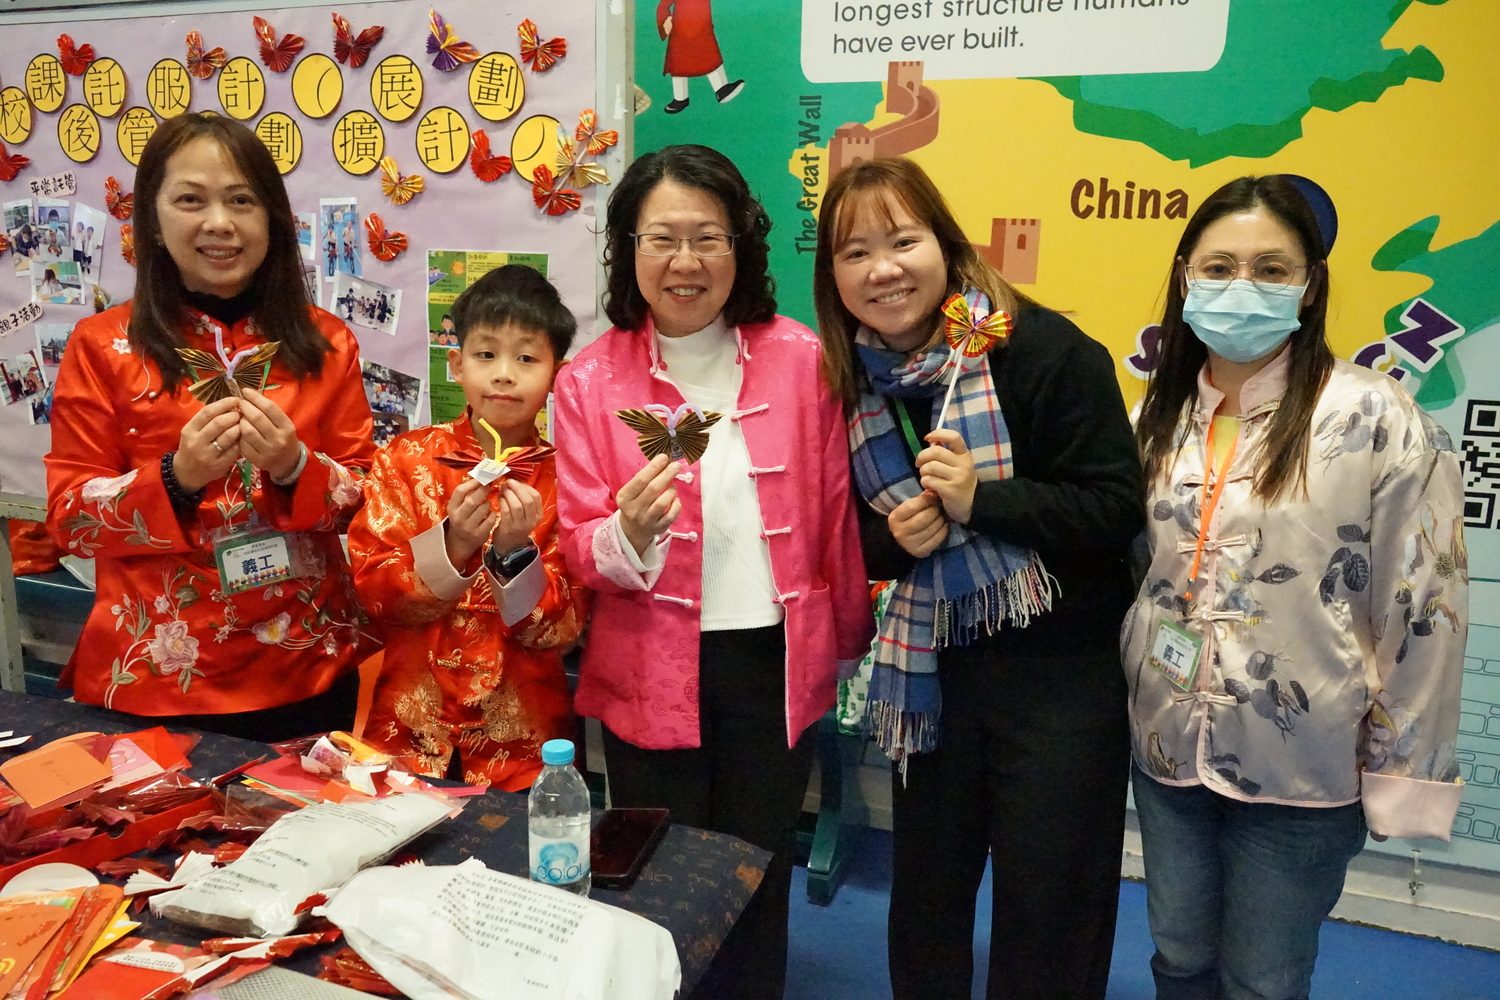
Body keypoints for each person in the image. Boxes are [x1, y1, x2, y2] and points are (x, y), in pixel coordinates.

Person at [1123, 175, 1467, 1000]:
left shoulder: (1375, 417)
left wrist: (1405, 770)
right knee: (1177, 953)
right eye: (1219, 267)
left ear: (1309, 286)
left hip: (1305, 761)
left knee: (1263, 977)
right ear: (1184, 278)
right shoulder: (1156, 420)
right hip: (1167, 746)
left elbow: (1425, 602)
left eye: (1271, 269)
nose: (1242, 286)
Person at [813, 156, 1143, 1000]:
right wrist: (896, 540)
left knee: (1052, 902)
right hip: (936, 673)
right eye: (855, 253)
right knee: (927, 895)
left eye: (903, 241)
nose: (883, 270)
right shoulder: (851, 381)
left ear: (946, 244)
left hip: (1060, 678)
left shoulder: (1043, 351)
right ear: (833, 278)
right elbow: (847, 538)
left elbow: (1114, 509)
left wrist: (982, 501)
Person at [553, 144, 873, 1000]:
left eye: (708, 238)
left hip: (771, 661)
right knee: (653, 871)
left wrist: (846, 645)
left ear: (742, 247)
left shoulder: (801, 358)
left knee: (755, 868)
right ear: (629, 249)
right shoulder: (588, 380)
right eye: (662, 239)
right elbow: (578, 544)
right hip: (646, 664)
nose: (685, 261)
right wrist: (627, 532)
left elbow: (835, 517)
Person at [44, 112, 377, 740]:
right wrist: (176, 476)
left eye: (241, 200)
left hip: (307, 665)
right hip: (158, 675)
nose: (219, 222)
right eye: (191, 200)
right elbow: (69, 520)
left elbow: (368, 502)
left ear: (272, 219)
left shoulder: (328, 343)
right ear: (152, 219)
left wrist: (295, 468)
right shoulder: (102, 345)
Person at [349, 265, 587, 789]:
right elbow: (375, 595)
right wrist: (454, 545)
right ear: (456, 364)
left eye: (526, 358)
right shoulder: (405, 459)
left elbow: (562, 630)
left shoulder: (572, 477)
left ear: (558, 374)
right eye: (485, 354)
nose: (504, 374)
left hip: (525, 742)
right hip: (408, 731)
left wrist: (513, 553)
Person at [656, 0, 743, 114]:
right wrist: (665, 18)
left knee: (708, 53)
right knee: (678, 59)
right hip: (681, 26)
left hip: (702, 22)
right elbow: (663, 6)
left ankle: (722, 88)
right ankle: (680, 98)